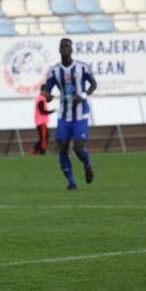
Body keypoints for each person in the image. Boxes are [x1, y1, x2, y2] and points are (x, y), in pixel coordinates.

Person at [41, 38, 97, 190]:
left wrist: (84, 95)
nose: (64, 48)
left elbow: (94, 84)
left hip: (80, 115)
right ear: (59, 50)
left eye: (67, 46)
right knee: (63, 146)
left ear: (71, 49)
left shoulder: (82, 68)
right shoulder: (55, 70)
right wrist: (47, 95)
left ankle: (87, 164)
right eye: (62, 46)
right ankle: (71, 182)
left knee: (78, 147)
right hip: (64, 115)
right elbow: (45, 89)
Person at [30, 91, 54, 155]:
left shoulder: (41, 98)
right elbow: (42, 111)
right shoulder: (41, 99)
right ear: (43, 91)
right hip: (41, 122)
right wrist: (51, 111)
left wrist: (51, 97)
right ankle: (40, 151)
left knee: (44, 137)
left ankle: (35, 150)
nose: (47, 94)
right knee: (44, 138)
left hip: (41, 122)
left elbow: (48, 100)